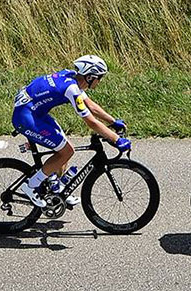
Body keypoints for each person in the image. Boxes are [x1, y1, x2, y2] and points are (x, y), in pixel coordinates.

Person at [11, 55, 128, 207]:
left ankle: (57, 190)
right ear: (90, 76)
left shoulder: (71, 76)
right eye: (99, 78)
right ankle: (31, 185)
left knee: (64, 146)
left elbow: (90, 105)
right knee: (67, 151)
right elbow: (91, 121)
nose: (99, 82)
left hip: (34, 112)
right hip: (26, 117)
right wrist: (116, 139)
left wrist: (113, 121)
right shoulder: (71, 88)